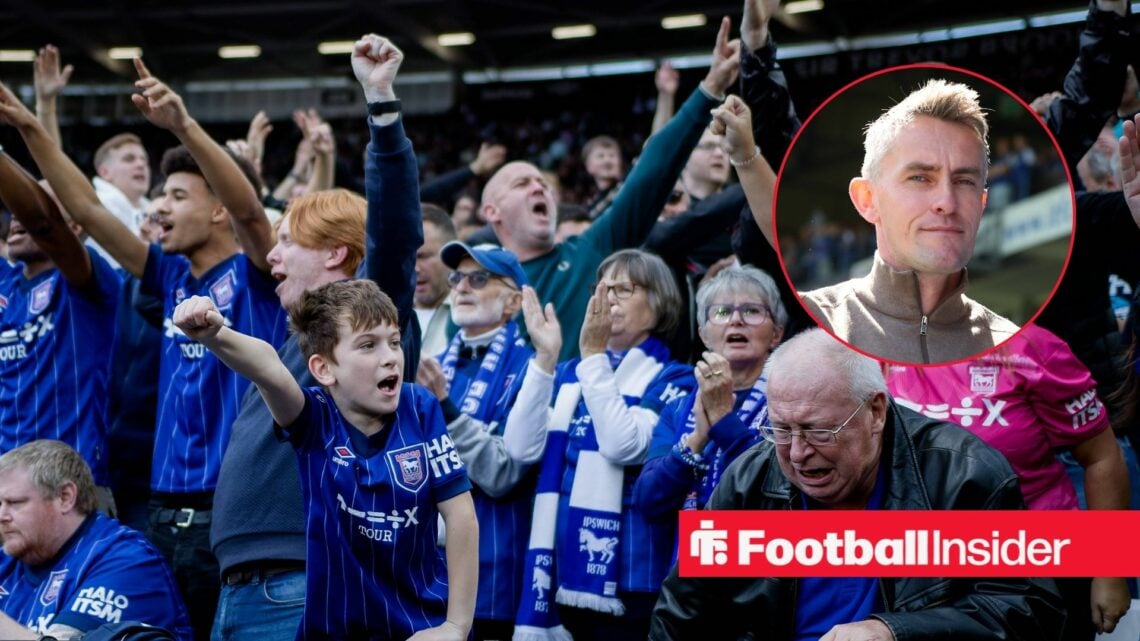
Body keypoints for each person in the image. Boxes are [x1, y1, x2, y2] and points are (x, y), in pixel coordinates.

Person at [0, 59, 287, 641]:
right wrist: (30, 125)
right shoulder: (169, 278)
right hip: (159, 512)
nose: (158, 207)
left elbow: (251, 211)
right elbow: (85, 211)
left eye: (177, 196)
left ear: (216, 211)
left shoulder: (257, 277)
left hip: (226, 514)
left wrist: (182, 126)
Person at [209, 34, 425, 641]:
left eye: (286, 241)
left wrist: (380, 103)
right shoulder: (292, 341)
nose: (270, 256)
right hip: (244, 584)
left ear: (337, 253)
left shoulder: (365, 321)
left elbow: (396, 231)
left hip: (303, 580)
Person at [649, 327, 1065, 641]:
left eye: (818, 431)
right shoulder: (751, 477)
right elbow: (682, 610)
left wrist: (893, 632)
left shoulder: (963, 474)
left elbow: (1027, 608)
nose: (796, 453)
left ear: (876, 412)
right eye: (780, 429)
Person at [173, 277, 477, 641]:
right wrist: (215, 335)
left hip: (421, 628)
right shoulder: (315, 419)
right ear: (323, 369)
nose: (390, 357)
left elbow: (461, 516)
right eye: (368, 345)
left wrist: (456, 626)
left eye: (394, 342)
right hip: (337, 630)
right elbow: (269, 370)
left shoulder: (419, 406)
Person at [480, 17, 740, 362]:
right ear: (491, 212)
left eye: (543, 183)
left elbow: (651, 175)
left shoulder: (590, 249)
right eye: (522, 183)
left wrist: (709, 88)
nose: (538, 188)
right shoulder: (475, 285)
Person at [726, 78, 1018, 364]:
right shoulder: (817, 318)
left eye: (965, 181)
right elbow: (770, 234)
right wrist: (746, 157)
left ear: (982, 204)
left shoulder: (1016, 347)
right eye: (919, 178)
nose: (947, 202)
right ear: (867, 200)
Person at [886, 323, 1131, 639]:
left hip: (1045, 557)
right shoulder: (872, 350)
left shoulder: (1029, 346)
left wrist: (1110, 570)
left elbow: (1102, 457)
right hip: (927, 566)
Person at [504, 249, 696, 640]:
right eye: (601, 287)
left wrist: (592, 356)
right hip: (557, 569)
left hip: (633, 576)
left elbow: (624, 445)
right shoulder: (570, 372)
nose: (606, 296)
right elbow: (520, 449)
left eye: (622, 289)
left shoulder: (674, 376)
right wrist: (545, 358)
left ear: (659, 304)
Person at [416, 241, 536, 641]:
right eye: (456, 277)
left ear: (514, 302)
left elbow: (503, 473)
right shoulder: (433, 362)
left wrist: (444, 408)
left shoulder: (531, 370)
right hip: (425, 575)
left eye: (479, 278)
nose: (462, 287)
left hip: (493, 576)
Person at [0, 146, 120, 511]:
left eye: (33, 205)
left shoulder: (89, 282)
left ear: (78, 225)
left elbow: (44, 222)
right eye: (16, 207)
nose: (18, 216)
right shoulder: (6, 287)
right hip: (5, 489)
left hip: (70, 492)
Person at [633, 266, 786, 525]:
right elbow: (647, 500)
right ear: (704, 335)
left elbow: (778, 486)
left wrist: (724, 421)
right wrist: (696, 440)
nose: (736, 320)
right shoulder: (678, 407)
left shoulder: (791, 403)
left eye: (751, 311)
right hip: (688, 561)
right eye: (722, 312)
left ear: (777, 334)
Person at [0, 440, 193, 641]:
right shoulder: (8, 561)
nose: (2, 515)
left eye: (15, 503)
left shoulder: (128, 561)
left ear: (65, 497)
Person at [416, 204, 459, 356]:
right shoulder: (387, 313)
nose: (414, 268)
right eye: (406, 259)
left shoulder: (471, 315)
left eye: (423, 257)